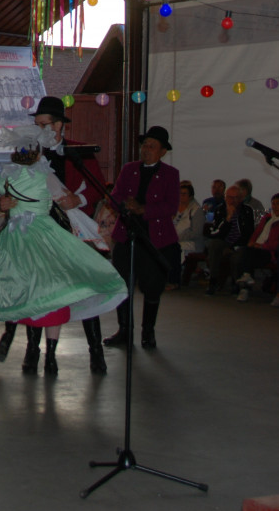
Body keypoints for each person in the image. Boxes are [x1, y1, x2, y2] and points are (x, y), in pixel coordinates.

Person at [0, 125, 127, 376]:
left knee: (21, 290)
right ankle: (49, 357)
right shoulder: (45, 175)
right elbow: (67, 202)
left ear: (15, 152)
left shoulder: (5, 175)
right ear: (38, 153)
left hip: (16, 240)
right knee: (54, 292)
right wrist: (87, 227)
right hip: (47, 238)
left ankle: (18, 340)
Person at [29, 95, 109, 372]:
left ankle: (96, 351)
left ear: (60, 125)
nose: (41, 130)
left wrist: (80, 200)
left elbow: (97, 186)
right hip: (39, 231)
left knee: (85, 289)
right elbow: (12, 186)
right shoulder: (29, 154)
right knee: (39, 292)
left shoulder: (80, 151)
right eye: (38, 125)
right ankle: (34, 352)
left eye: (45, 124)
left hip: (73, 229)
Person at [103, 126, 180, 350]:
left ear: (163, 151)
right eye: (144, 145)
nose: (146, 150)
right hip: (127, 235)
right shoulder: (129, 169)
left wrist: (142, 209)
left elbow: (171, 206)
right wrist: (124, 205)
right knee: (123, 284)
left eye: (152, 146)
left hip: (155, 238)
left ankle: (148, 332)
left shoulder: (170, 174)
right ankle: (125, 330)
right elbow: (114, 195)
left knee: (152, 286)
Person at [231, 192, 279, 302]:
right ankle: (244, 283)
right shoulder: (267, 217)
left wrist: (262, 246)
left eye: (278, 204)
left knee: (245, 254)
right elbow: (257, 232)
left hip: (270, 252)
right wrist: (252, 241)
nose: (275, 206)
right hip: (255, 248)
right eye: (273, 204)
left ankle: (244, 284)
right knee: (242, 253)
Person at [202, 184, 255, 295]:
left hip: (240, 243)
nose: (231, 200)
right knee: (214, 245)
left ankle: (236, 283)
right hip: (224, 240)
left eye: (235, 197)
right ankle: (213, 280)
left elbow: (248, 233)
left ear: (241, 198)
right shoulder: (220, 209)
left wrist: (232, 247)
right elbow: (217, 233)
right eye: (229, 197)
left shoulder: (247, 211)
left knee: (238, 256)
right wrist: (228, 219)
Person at [169, 180, 205, 290]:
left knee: (174, 249)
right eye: (179, 193)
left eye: (184, 194)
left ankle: (173, 280)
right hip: (171, 239)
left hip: (191, 243)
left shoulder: (196, 210)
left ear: (190, 196)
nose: (181, 196)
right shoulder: (173, 208)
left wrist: (176, 238)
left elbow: (196, 232)